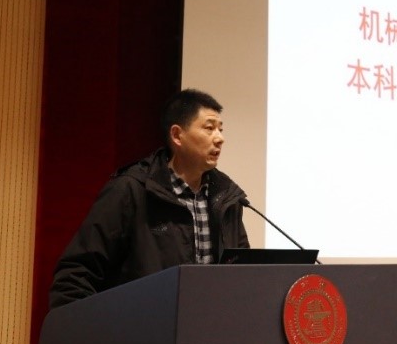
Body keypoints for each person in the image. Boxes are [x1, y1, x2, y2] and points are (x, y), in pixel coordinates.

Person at [49, 89, 250, 309]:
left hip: (210, 325)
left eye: (220, 129)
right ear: (177, 135)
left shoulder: (226, 197)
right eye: (209, 128)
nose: (220, 138)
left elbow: (244, 274)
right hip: (144, 325)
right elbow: (77, 273)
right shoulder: (132, 190)